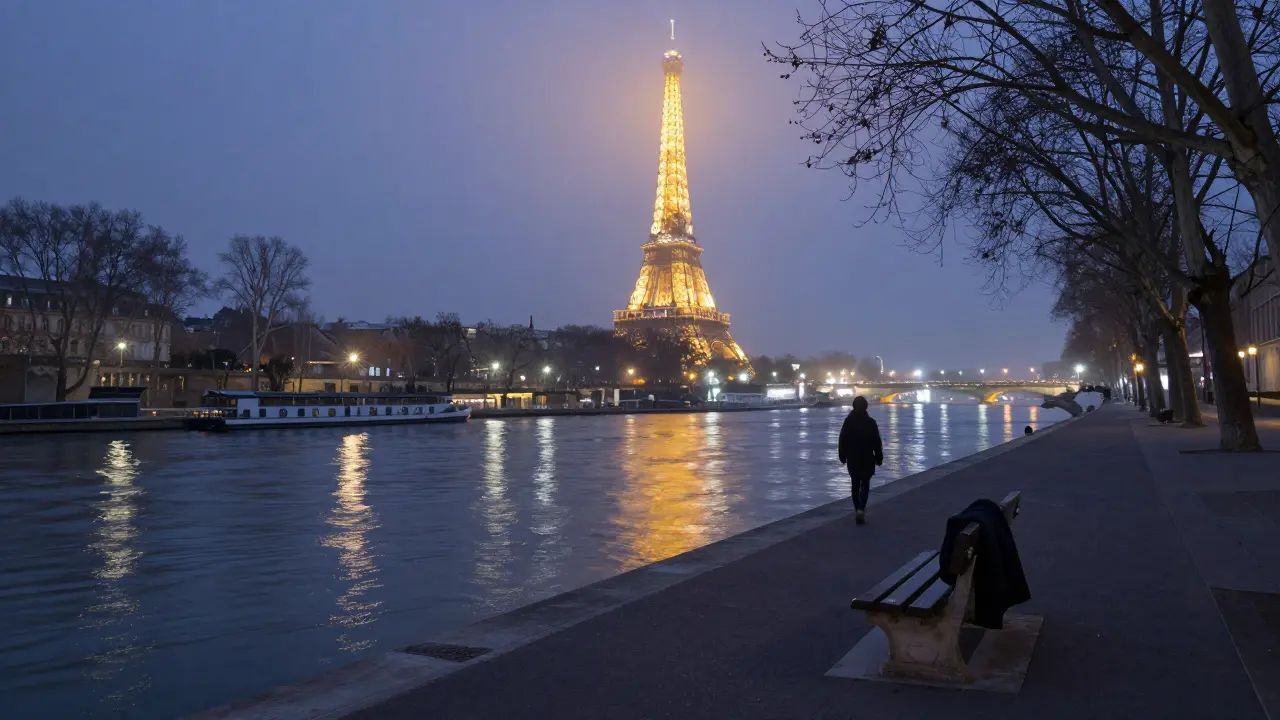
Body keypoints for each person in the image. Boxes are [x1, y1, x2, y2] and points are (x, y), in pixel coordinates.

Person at [838, 395, 884, 525]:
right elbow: (877, 442)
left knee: (855, 484)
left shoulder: (848, 422)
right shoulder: (871, 422)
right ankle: (861, 509)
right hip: (867, 458)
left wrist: (842, 455)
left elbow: (842, 440)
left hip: (853, 457)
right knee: (865, 484)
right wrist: (879, 457)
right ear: (866, 407)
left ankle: (857, 509)